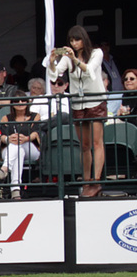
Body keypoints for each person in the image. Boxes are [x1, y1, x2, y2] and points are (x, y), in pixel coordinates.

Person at [45, 25, 107, 196]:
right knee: (84, 145)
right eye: (72, 40)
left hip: (95, 101)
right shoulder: (67, 57)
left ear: (83, 39)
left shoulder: (97, 53)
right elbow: (55, 74)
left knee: (97, 142)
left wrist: (75, 59)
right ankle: (87, 180)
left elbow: (90, 70)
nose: (74, 43)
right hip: (78, 104)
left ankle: (96, 180)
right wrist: (51, 61)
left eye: (77, 39)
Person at [0, 95, 42, 199]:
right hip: (11, 148)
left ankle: (4, 169)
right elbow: (1, 136)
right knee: (17, 149)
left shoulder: (35, 116)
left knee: (17, 145)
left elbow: (36, 133)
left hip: (31, 147)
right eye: (17, 100)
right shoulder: (6, 118)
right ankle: (15, 190)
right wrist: (9, 139)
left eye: (23, 100)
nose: (20, 102)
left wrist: (26, 138)